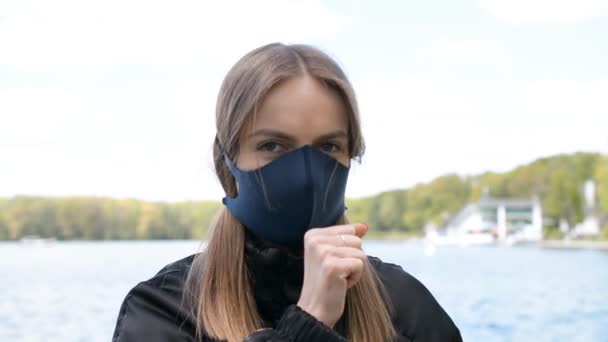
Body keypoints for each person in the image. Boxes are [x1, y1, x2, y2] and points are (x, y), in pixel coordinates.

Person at [112, 43, 462, 342]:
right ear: (227, 163)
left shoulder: (403, 308)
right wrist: (308, 324)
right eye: (273, 145)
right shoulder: (165, 311)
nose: (306, 172)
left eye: (328, 147)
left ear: (350, 156)